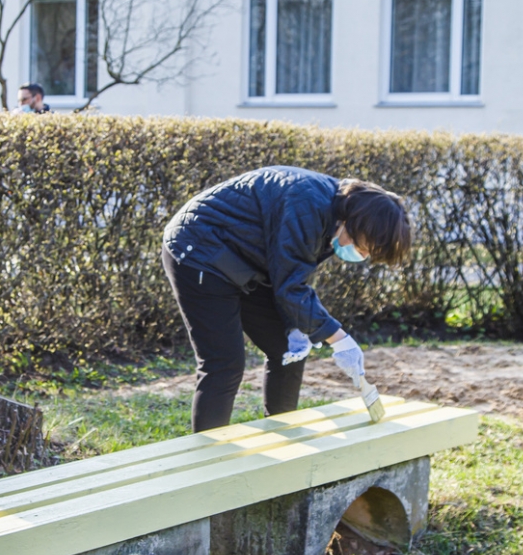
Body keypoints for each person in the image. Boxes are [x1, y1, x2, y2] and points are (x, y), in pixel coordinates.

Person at [161, 166, 411, 433]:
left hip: (245, 261)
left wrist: (294, 325)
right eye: (364, 247)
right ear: (357, 223)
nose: (362, 255)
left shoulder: (336, 219)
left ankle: (282, 436)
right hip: (199, 250)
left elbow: (292, 272)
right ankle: (208, 453)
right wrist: (340, 339)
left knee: (288, 351)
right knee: (224, 364)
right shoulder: (307, 204)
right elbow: (291, 287)